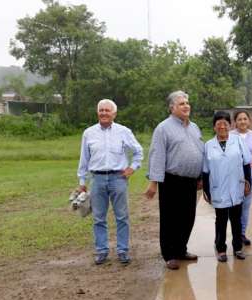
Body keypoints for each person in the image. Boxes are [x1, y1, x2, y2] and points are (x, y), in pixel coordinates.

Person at [77, 99, 143, 265]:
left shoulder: (123, 131)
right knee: (99, 218)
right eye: (101, 110)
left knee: (122, 216)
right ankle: (101, 250)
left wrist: (132, 168)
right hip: (97, 179)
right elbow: (84, 158)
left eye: (107, 110)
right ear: (97, 112)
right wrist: (82, 180)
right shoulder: (89, 133)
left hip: (118, 178)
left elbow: (138, 152)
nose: (104, 113)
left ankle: (122, 250)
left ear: (114, 113)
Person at [145, 91, 204, 270]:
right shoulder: (163, 128)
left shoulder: (194, 127)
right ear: (172, 108)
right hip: (171, 181)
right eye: (181, 104)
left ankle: (181, 249)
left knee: (188, 217)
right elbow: (157, 155)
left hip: (190, 181)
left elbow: (200, 151)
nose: (186, 106)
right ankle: (169, 254)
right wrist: (154, 182)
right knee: (170, 219)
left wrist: (200, 176)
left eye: (187, 102)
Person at [203, 111, 252, 262]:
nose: (222, 127)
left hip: (236, 186)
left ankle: (237, 248)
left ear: (230, 125)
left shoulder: (237, 140)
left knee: (236, 219)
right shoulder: (208, 145)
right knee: (221, 220)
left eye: (225, 123)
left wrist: (247, 183)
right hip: (218, 189)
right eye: (219, 124)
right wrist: (206, 191)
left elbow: (246, 163)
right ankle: (221, 249)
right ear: (214, 127)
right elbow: (205, 170)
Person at [230, 110, 252, 246]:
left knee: (246, 206)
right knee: (235, 206)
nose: (242, 121)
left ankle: (241, 233)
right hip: (234, 178)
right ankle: (234, 233)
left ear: (249, 121)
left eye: (245, 119)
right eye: (239, 119)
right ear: (235, 122)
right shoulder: (230, 136)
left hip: (250, 177)